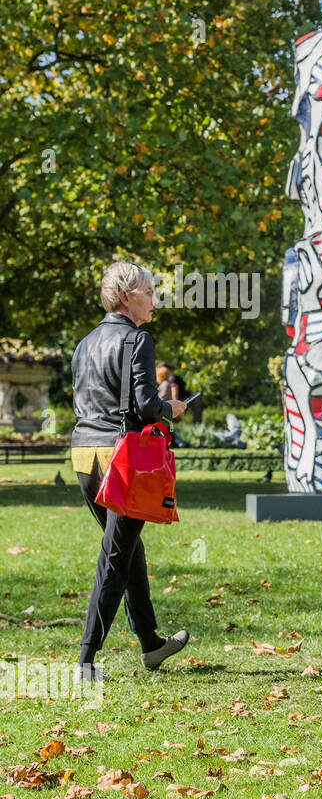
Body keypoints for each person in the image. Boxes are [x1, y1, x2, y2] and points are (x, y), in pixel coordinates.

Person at [70, 261, 191, 679]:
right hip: (121, 460)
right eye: (148, 292)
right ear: (126, 297)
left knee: (126, 547)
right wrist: (171, 408)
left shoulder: (84, 343)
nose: (154, 299)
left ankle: (151, 644)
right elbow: (145, 406)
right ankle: (86, 660)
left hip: (84, 456)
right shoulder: (138, 339)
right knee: (115, 557)